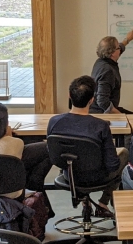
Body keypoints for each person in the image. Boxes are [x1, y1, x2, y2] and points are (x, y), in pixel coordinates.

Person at [48, 76, 128, 216]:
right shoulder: (101, 126)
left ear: (69, 95)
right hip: (97, 177)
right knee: (125, 153)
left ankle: (86, 202)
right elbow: (112, 165)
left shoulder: (54, 121)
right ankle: (103, 203)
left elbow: (54, 154)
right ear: (92, 100)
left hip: (69, 175)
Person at [0, 101, 54, 198]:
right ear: (5, 122)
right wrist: (8, 135)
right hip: (11, 194)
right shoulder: (16, 143)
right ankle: (35, 189)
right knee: (44, 151)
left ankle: (36, 190)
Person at [89, 28, 133, 114]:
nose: (120, 49)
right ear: (112, 53)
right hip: (102, 113)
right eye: (118, 47)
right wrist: (121, 116)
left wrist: (127, 39)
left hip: (108, 109)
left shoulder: (101, 60)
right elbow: (103, 102)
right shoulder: (107, 70)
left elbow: (120, 48)